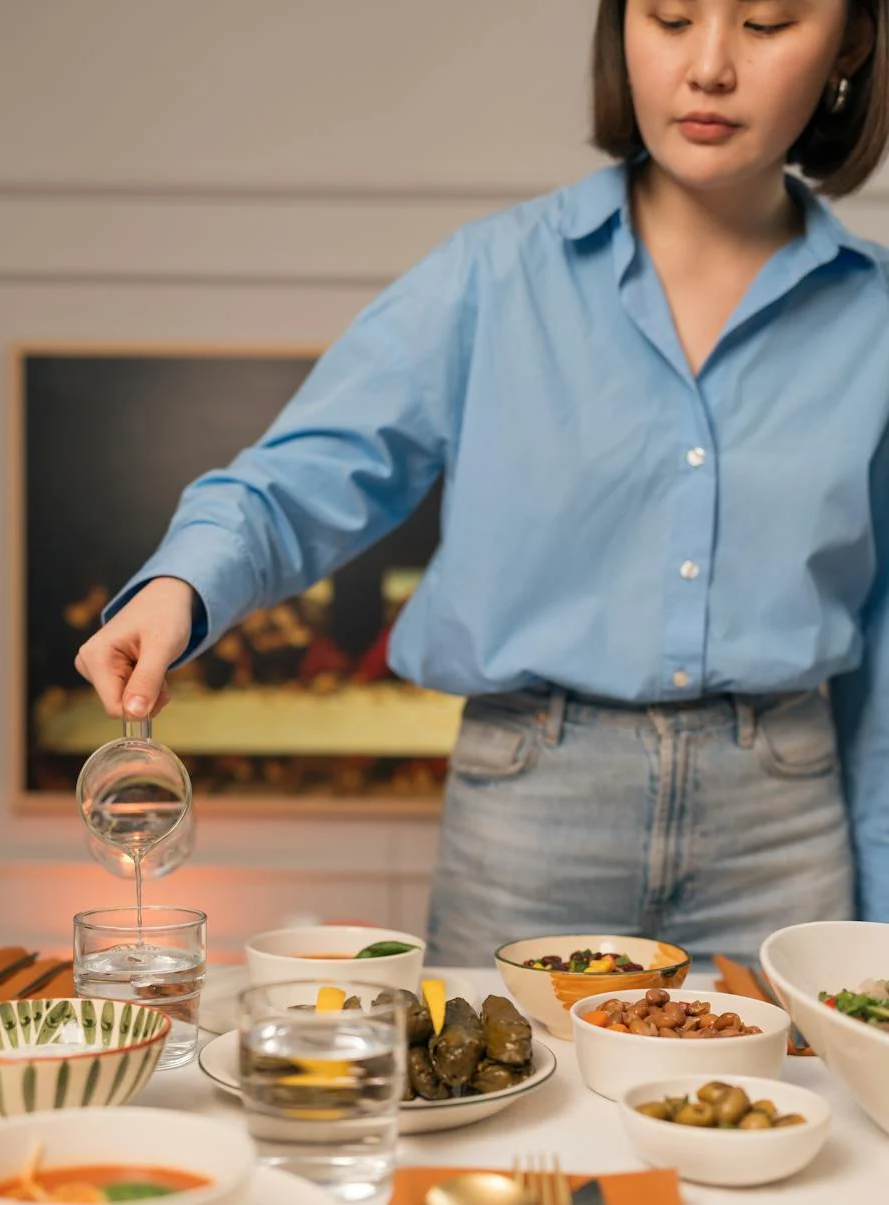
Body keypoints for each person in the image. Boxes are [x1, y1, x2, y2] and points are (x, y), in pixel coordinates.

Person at [76, 0, 889, 967]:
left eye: (763, 24)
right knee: (503, 1108)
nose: (708, 67)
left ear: (848, 42)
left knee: (798, 1114)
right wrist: (181, 586)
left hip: (784, 828)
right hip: (530, 810)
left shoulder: (874, 315)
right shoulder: (491, 276)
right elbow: (303, 476)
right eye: (670, 17)